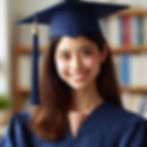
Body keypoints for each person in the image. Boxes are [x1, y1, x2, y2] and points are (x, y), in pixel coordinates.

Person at [0, 0, 147, 146]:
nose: (76, 65)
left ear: (103, 53)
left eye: (86, 52)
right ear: (53, 60)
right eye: (65, 55)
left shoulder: (131, 128)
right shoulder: (23, 128)